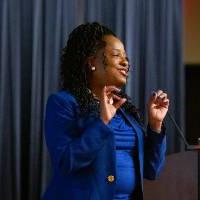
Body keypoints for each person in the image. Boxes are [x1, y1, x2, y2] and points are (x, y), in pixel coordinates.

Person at [43, 22, 169, 200]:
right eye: (116, 55)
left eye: (125, 57)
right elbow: (66, 162)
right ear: (92, 62)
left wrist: (155, 125)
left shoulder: (125, 110)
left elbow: (152, 170)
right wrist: (101, 121)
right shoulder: (63, 103)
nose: (125, 62)